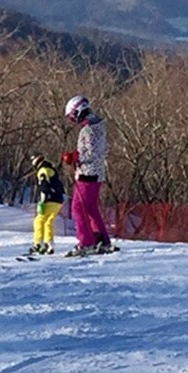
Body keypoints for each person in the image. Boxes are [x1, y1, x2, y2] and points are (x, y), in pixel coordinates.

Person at [62, 95, 114, 257]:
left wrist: (74, 157)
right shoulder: (98, 126)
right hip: (96, 172)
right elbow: (100, 149)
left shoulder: (89, 129)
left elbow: (91, 152)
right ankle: (101, 239)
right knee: (90, 207)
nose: (72, 120)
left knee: (78, 208)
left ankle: (86, 242)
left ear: (79, 111)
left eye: (72, 116)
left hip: (88, 173)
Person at [28, 155, 64, 255]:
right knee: (48, 222)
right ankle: (49, 244)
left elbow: (44, 185)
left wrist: (42, 200)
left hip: (49, 199)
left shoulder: (42, 170)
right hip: (58, 200)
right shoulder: (51, 169)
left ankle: (38, 244)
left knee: (38, 221)